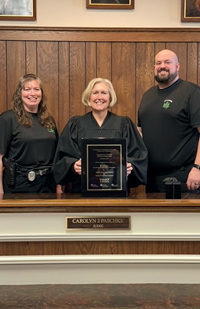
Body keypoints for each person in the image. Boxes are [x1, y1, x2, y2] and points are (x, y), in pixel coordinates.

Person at [53, 77, 148, 193]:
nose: (99, 97)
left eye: (104, 93)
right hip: (82, 192)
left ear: (110, 97)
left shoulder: (124, 124)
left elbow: (139, 156)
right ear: (89, 97)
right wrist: (73, 166)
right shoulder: (76, 125)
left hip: (117, 190)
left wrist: (129, 166)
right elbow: (62, 158)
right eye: (95, 93)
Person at [138, 49, 200, 192]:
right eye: (158, 63)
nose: (162, 66)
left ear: (177, 66)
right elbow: (141, 132)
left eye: (167, 62)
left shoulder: (191, 92)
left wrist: (198, 168)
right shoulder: (147, 95)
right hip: (152, 178)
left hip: (185, 177)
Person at [0, 73, 59, 193]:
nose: (32, 93)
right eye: (27, 89)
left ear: (41, 93)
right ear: (19, 93)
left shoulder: (48, 120)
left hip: (48, 185)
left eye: (36, 89)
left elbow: (57, 156)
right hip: (19, 185)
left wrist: (59, 186)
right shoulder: (7, 119)